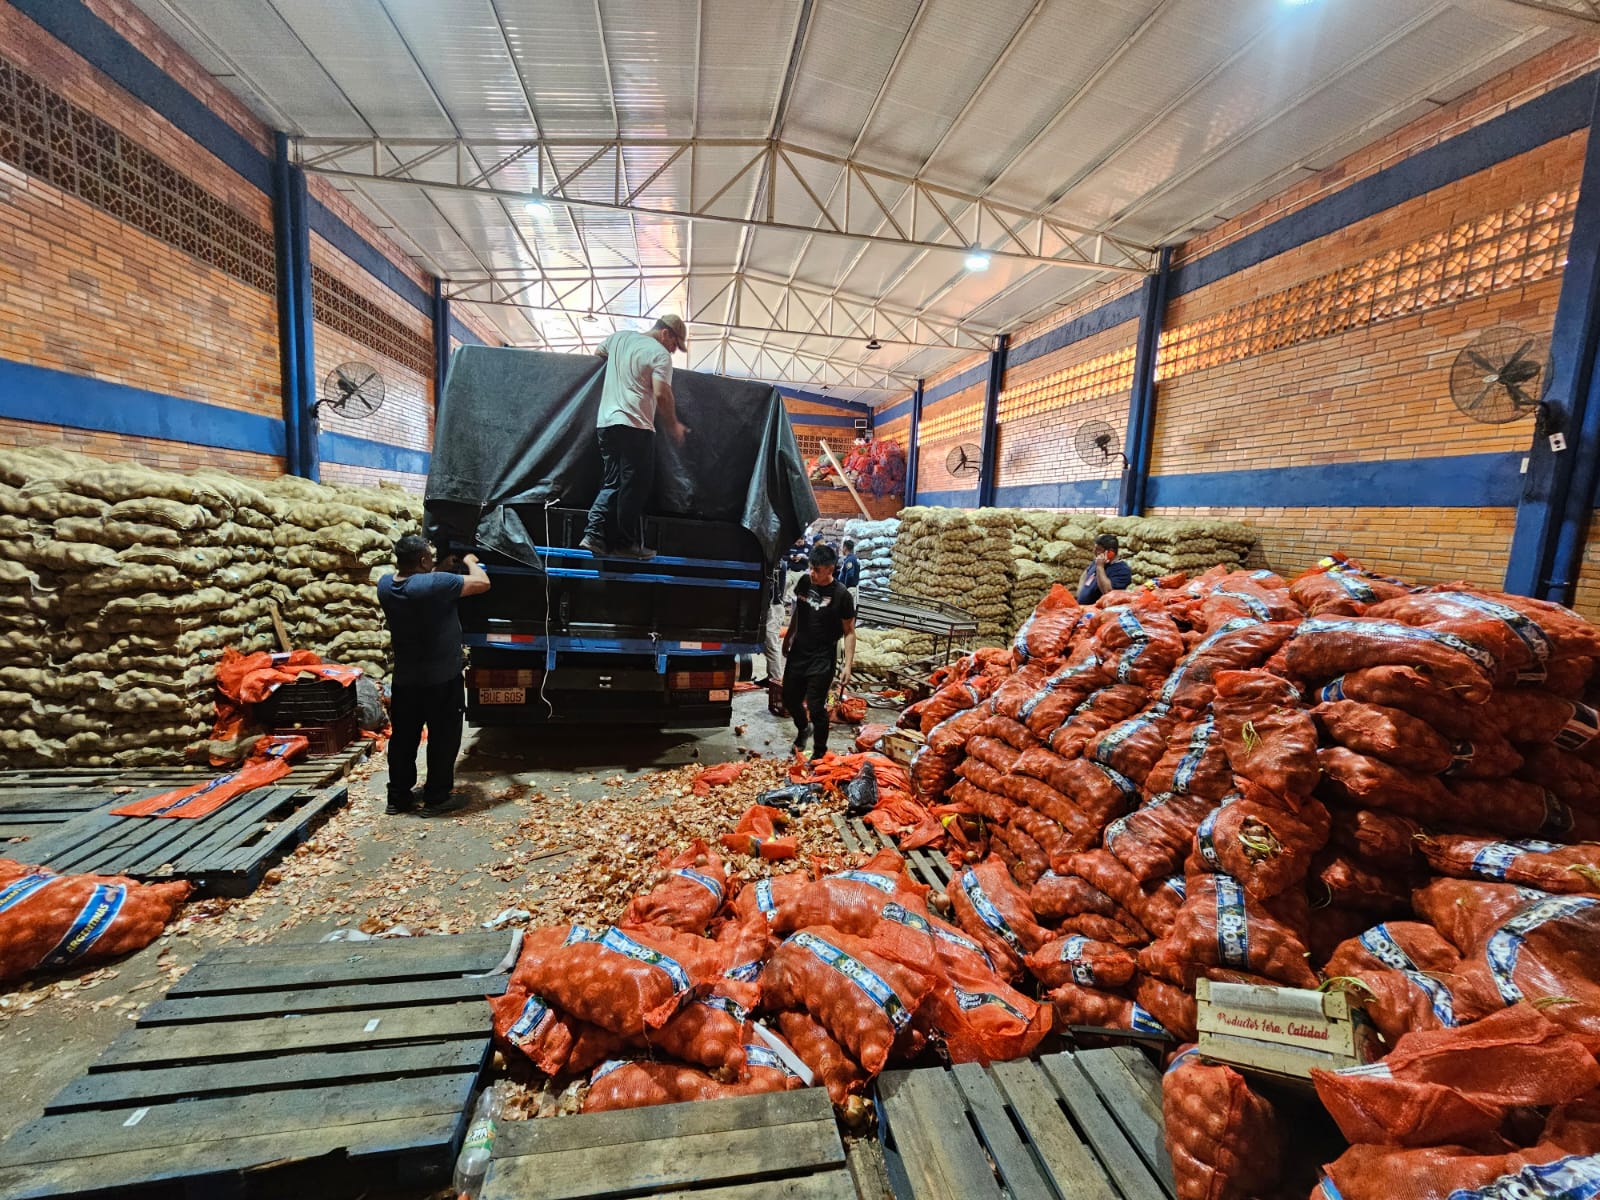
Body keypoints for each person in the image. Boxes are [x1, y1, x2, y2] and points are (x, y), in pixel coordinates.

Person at [377, 535, 490, 815]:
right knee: (443, 737)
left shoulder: (385, 585)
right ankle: (437, 798)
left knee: (403, 738)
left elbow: (421, 585)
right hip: (441, 680)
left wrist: (439, 568)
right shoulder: (436, 584)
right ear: (424, 560)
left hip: (405, 680)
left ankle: (398, 797)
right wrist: (469, 561)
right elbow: (483, 583)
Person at [580, 315, 690, 561]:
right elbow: (662, 393)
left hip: (606, 424)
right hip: (636, 426)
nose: (674, 350)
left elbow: (599, 352)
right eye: (675, 344)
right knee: (634, 488)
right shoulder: (659, 354)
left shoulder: (620, 338)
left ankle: (593, 535)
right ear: (666, 334)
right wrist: (674, 425)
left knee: (612, 484)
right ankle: (624, 543)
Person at [781, 542, 857, 763]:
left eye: (817, 570)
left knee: (816, 706)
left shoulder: (842, 595)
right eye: (811, 568)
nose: (812, 573)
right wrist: (788, 637)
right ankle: (803, 729)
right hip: (799, 652)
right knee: (789, 698)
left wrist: (848, 664)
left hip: (822, 657)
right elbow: (798, 612)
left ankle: (820, 752)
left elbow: (849, 632)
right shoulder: (805, 582)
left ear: (830, 569)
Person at [1076, 533, 1134, 605]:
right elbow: (1085, 574)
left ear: (1110, 552)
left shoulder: (1122, 570)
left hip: (1098, 612)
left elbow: (1108, 592)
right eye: (1095, 548)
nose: (1094, 552)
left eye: (1098, 550)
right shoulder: (1097, 562)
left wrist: (1100, 567)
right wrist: (1080, 593)